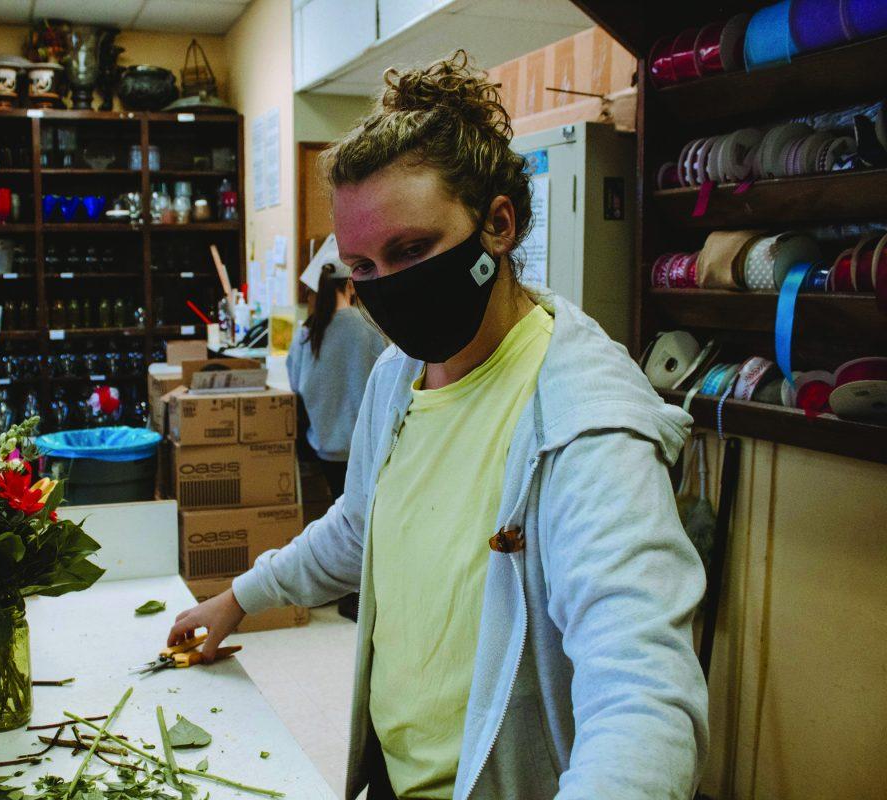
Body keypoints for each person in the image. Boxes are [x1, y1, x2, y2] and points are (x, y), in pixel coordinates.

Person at [169, 50, 708, 800]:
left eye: (413, 250)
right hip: (389, 777)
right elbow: (360, 527)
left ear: (498, 224)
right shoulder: (397, 378)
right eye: (361, 267)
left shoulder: (586, 424)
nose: (389, 288)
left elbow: (643, 692)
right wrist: (239, 597)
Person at [287, 259, 386, 498]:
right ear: (350, 285)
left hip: (325, 448)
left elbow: (294, 384)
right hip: (366, 448)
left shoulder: (308, 333)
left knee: (339, 510)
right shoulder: (370, 326)